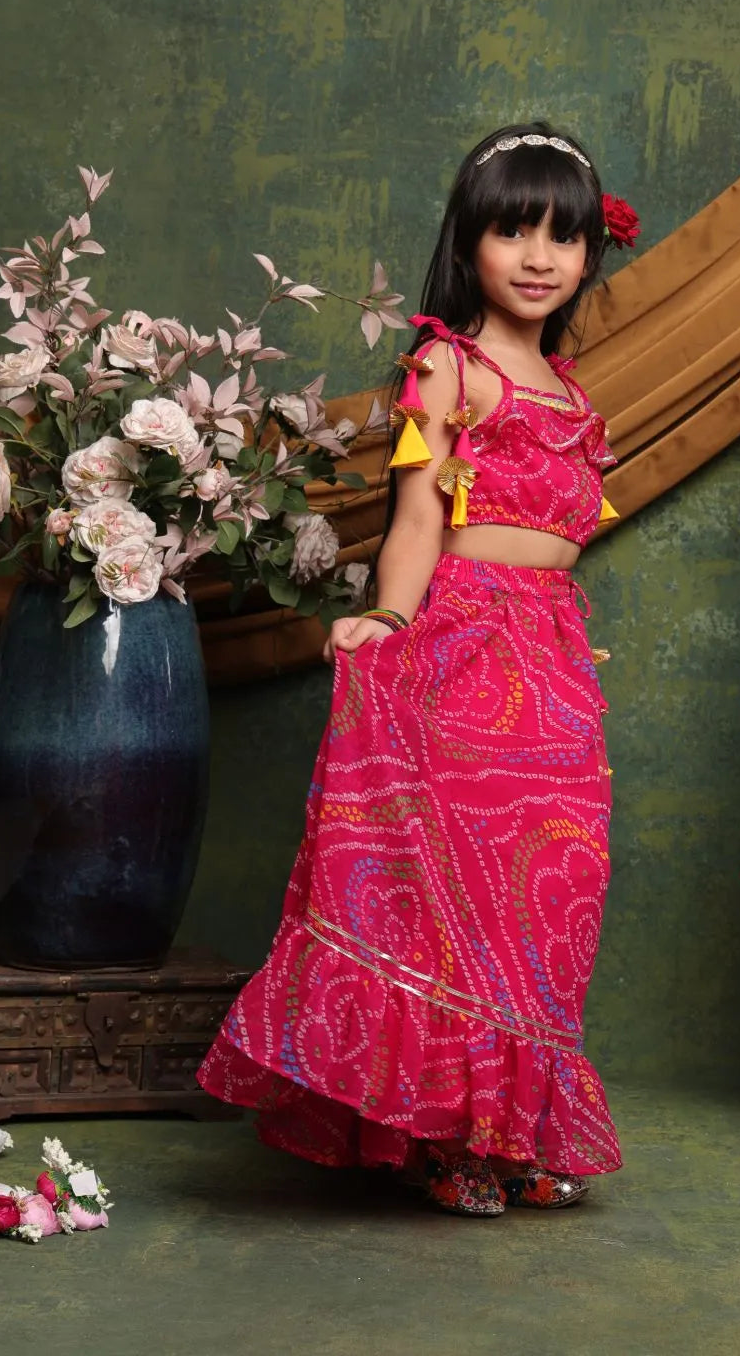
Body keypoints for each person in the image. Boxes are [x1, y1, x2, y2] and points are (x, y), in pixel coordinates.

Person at [198, 121, 626, 1217]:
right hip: (470, 652)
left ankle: (516, 1131)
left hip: (555, 660)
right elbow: (416, 518)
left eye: (563, 237)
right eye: (512, 230)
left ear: (589, 254)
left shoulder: (573, 390)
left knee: (553, 896)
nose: (539, 257)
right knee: (461, 896)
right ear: (470, 241)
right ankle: (454, 1148)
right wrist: (388, 614)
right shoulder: (452, 362)